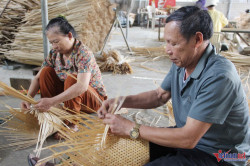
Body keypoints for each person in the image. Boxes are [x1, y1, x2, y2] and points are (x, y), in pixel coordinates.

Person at [98, 6, 249, 166]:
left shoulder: (220, 76)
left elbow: (188, 138)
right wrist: (120, 101)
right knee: (127, 151)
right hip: (188, 141)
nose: (167, 50)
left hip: (221, 155)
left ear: (197, 39)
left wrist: (131, 128)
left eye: (174, 43)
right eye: (166, 42)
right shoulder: (182, 62)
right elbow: (159, 95)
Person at [21, 16, 107, 129]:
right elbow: (37, 78)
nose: (54, 46)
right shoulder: (54, 53)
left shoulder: (83, 53)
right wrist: (28, 99)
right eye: (51, 43)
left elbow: (82, 86)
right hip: (68, 97)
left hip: (93, 101)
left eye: (56, 41)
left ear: (69, 36)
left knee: (73, 79)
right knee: (45, 72)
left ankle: (71, 124)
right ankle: (51, 113)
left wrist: (51, 101)